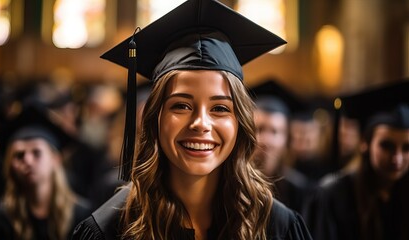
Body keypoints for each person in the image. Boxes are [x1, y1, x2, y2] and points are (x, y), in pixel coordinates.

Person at [72, 0, 313, 239]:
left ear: (240, 122)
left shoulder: (278, 227)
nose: (201, 123)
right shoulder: (110, 230)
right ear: (155, 118)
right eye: (181, 105)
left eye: (219, 108)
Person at [303, 80, 409, 240]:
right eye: (386, 146)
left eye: (407, 148)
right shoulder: (332, 196)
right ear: (364, 143)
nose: (397, 158)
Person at [0, 105, 92, 239]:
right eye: (19, 155)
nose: (28, 161)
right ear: (10, 165)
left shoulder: (81, 216)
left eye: (37, 153)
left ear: (55, 159)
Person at [249, 80, 309, 213]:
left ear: (286, 139)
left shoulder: (300, 191)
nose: (266, 140)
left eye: (274, 132)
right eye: (259, 129)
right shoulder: (231, 184)